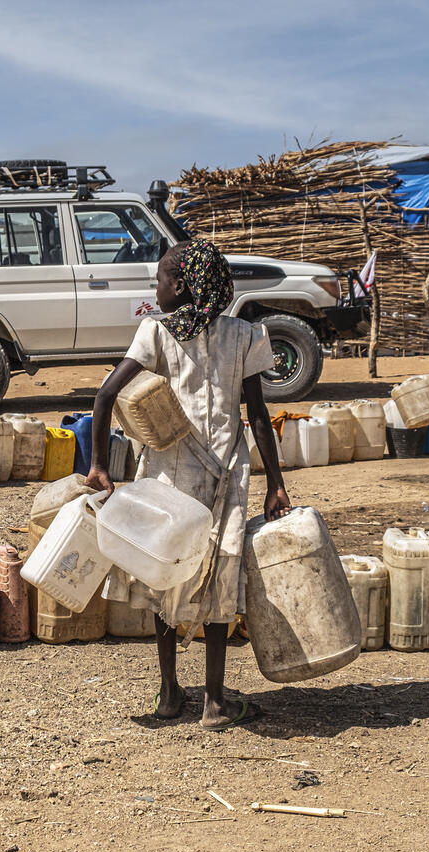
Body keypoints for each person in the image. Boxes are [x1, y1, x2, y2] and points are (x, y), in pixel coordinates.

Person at [86, 239, 291, 731]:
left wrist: (99, 464)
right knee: (221, 571)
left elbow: (106, 395)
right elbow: (258, 417)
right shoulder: (245, 335)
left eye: (159, 280)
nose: (155, 288)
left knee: (165, 570)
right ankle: (215, 701)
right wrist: (276, 483)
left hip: (166, 478)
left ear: (181, 285)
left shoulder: (155, 333)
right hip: (225, 475)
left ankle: (169, 693)